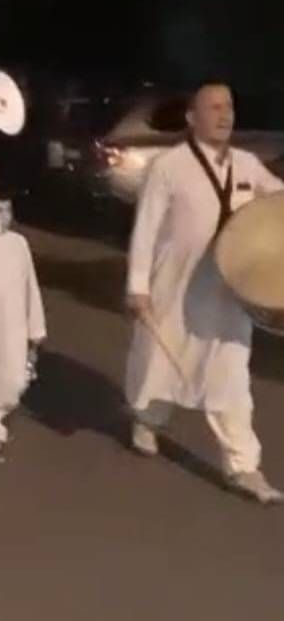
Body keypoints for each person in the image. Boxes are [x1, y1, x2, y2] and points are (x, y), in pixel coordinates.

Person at [125, 81, 283, 504]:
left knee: (230, 376)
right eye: (213, 107)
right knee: (159, 361)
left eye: (228, 106)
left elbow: (277, 200)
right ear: (192, 118)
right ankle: (147, 419)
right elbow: (145, 229)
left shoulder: (248, 164)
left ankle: (243, 466)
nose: (224, 114)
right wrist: (137, 285)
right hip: (173, 287)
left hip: (227, 292)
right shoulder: (168, 166)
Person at [0, 198, 45, 462]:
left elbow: (29, 286)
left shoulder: (18, 245)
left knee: (11, 379)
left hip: (12, 328)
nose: (2, 216)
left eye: (7, 210)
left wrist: (35, 331)